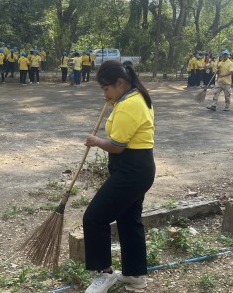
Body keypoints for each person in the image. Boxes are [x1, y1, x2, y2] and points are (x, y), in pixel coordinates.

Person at [83, 60, 155, 293]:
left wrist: (95, 142)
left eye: (106, 89)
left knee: (94, 217)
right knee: (128, 220)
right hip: (137, 167)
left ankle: (104, 274)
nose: (104, 93)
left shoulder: (130, 105)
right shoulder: (133, 98)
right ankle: (135, 275)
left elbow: (117, 145)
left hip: (131, 169)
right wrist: (114, 101)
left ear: (120, 83)